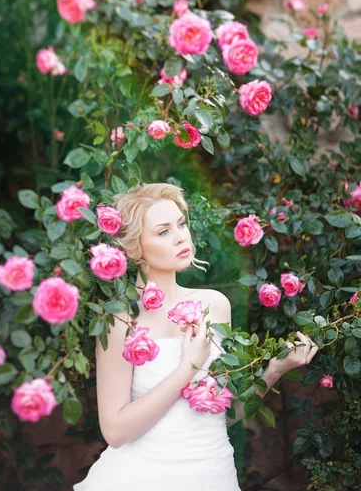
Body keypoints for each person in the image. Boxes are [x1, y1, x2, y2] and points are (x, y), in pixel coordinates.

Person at [73, 182, 318, 491]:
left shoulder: (215, 305)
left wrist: (276, 369)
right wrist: (187, 367)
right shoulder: (119, 320)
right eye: (163, 231)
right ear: (134, 248)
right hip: (141, 479)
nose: (180, 236)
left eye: (181, 224)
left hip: (213, 474)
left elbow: (224, 415)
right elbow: (115, 431)